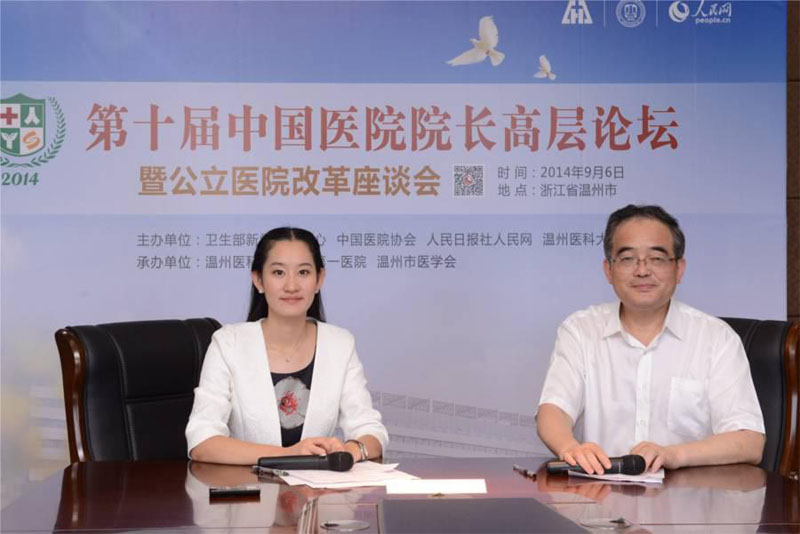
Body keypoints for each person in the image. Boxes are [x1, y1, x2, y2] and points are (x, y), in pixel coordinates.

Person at [537, 205, 765, 474]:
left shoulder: (716, 338)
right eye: (627, 258)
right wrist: (570, 448)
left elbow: (749, 442)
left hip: (691, 495)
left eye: (656, 258)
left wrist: (673, 454)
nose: (642, 270)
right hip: (599, 492)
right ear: (608, 270)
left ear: (679, 269)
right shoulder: (580, 330)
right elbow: (553, 410)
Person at [186, 227, 388, 465]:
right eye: (278, 272)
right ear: (258, 280)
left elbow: (370, 430)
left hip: (316, 487)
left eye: (303, 272)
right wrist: (291, 454)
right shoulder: (228, 343)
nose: (292, 286)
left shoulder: (340, 344)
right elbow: (202, 442)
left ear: (319, 279)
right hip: (247, 486)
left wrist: (349, 451)